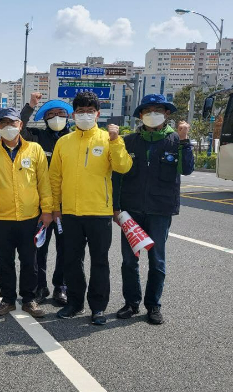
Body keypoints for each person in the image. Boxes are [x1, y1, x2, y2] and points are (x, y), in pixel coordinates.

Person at [49, 91, 133, 325]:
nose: (85, 115)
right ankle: (75, 303)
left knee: (100, 261)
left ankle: (98, 307)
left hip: (99, 212)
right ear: (73, 115)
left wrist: (116, 141)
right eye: (80, 111)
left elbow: (123, 167)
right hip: (71, 213)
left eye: (90, 111)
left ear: (98, 114)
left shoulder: (109, 138)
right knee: (71, 260)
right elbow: (54, 177)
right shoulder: (64, 142)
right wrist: (56, 207)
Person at [112, 94, 194, 325]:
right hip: (131, 211)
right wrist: (116, 208)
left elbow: (186, 169)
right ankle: (131, 303)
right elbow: (117, 175)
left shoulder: (175, 140)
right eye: (148, 111)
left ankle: (153, 305)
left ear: (167, 114)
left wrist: (185, 139)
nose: (153, 114)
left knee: (157, 261)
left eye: (158, 109)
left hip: (160, 209)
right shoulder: (128, 142)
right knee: (129, 261)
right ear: (140, 115)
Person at [0, 107, 53, 318]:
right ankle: (8, 299)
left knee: (30, 260)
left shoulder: (34, 149)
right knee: (5, 261)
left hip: (30, 216)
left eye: (13, 123)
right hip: (2, 217)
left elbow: (44, 182)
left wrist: (47, 210)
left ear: (20, 125)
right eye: (4, 124)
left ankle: (29, 299)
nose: (8, 127)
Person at [19, 93, 73, 306]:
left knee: (66, 249)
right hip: (42, 206)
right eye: (51, 115)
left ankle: (61, 287)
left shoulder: (74, 138)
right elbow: (20, 128)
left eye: (60, 114)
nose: (56, 118)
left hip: (67, 205)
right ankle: (41, 286)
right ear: (45, 119)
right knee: (39, 248)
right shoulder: (38, 138)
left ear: (68, 116)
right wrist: (30, 105)